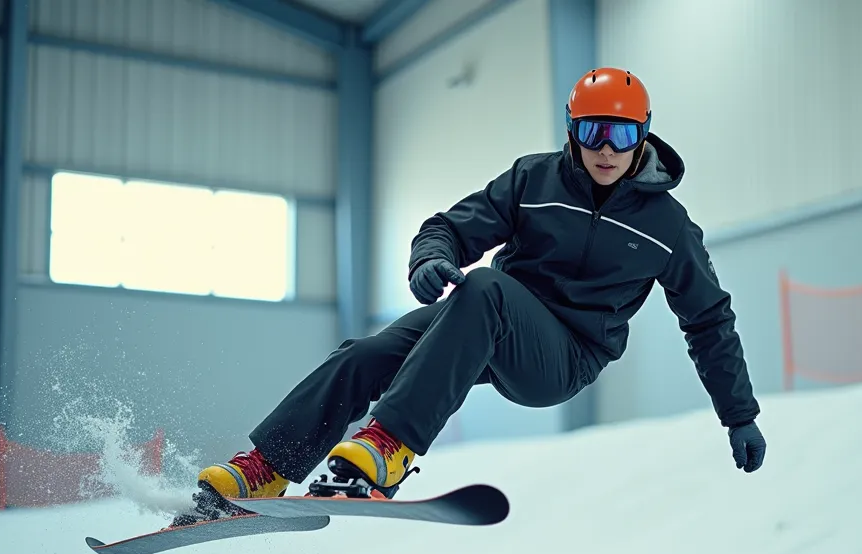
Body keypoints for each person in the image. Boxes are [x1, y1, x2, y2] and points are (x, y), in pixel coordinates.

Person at [193, 67, 768, 508]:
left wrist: (738, 415)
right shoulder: (533, 178)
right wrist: (430, 258)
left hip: (564, 356)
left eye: (621, 134)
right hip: (488, 322)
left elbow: (708, 320)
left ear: (643, 135)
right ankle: (267, 468)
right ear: (573, 131)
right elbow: (448, 226)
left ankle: (389, 446)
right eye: (593, 132)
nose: (607, 149)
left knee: (487, 287)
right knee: (366, 354)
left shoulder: (666, 225)